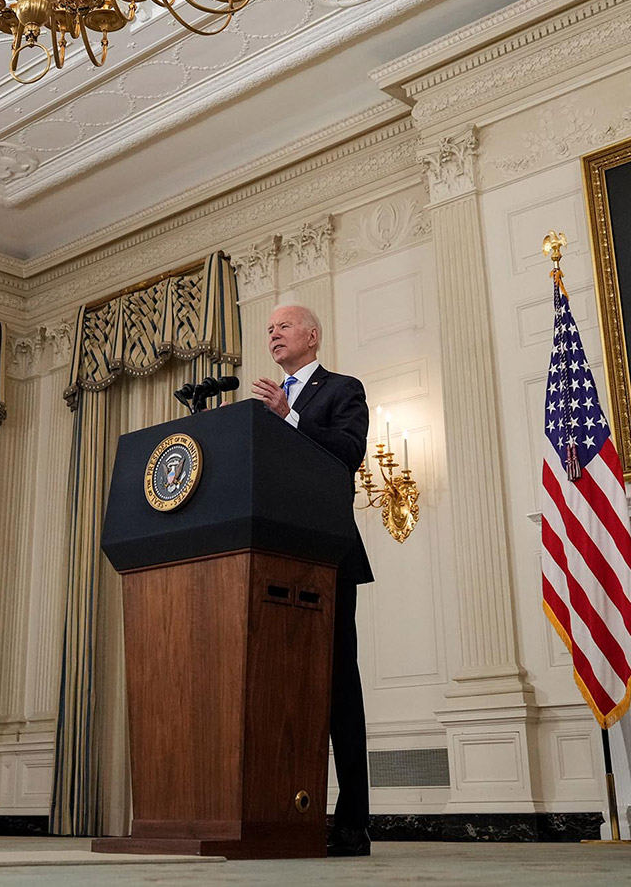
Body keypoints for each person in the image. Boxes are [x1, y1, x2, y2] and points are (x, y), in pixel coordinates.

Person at [249, 305, 373, 857]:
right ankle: (283, 814)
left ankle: (352, 822)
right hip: (271, 558)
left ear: (311, 335)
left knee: (337, 688)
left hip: (326, 558)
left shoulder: (341, 389)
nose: (273, 333)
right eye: (270, 328)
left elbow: (350, 452)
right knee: (282, 686)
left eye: (284, 326)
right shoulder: (264, 404)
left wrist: (291, 417)